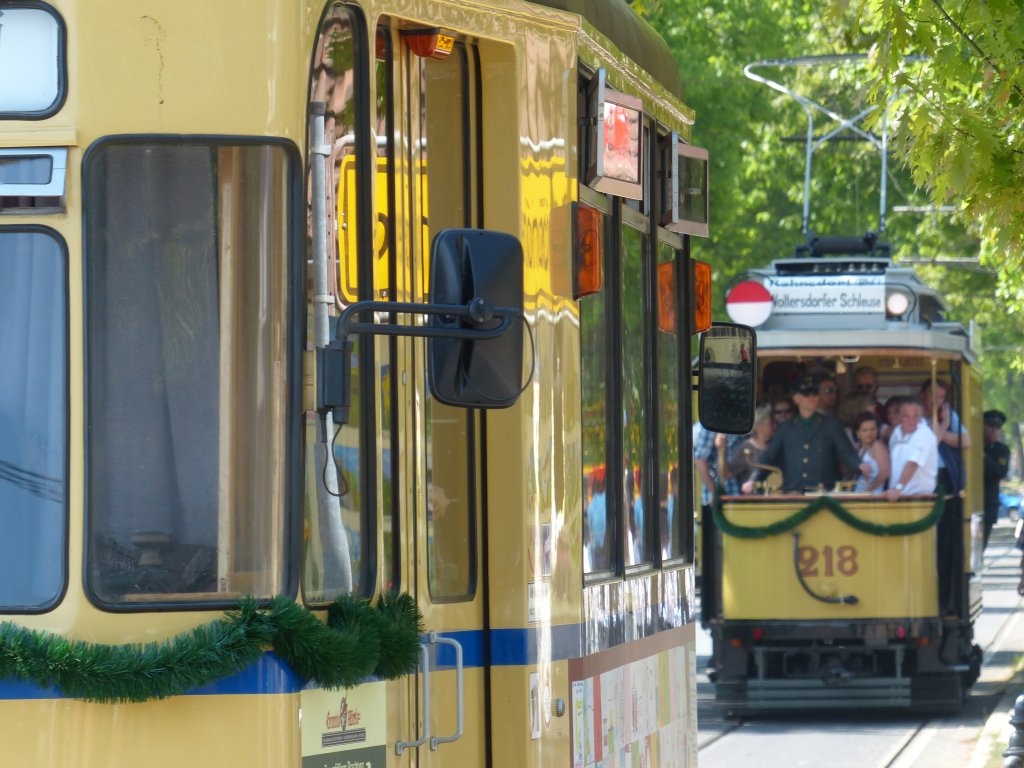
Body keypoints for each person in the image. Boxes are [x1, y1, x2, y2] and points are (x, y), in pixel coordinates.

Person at [744, 374, 870, 493]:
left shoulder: (831, 425)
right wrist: (753, 480)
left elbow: (846, 452)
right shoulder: (785, 428)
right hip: (793, 493)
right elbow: (768, 458)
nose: (812, 397)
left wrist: (860, 465)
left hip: (823, 494)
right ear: (796, 398)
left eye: (815, 393)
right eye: (807, 394)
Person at [920, 379, 971, 493]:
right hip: (920, 472)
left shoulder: (949, 414)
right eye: (933, 395)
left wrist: (938, 429)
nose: (936, 401)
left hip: (944, 472)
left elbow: (966, 441)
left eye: (941, 397)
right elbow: (930, 447)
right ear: (922, 395)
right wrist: (944, 425)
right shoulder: (913, 417)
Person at [885, 398, 938, 500]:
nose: (911, 421)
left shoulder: (925, 434)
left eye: (915, 416)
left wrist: (898, 488)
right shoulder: (896, 432)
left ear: (921, 417)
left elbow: (913, 464)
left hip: (919, 498)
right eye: (906, 416)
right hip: (897, 495)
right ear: (899, 416)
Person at [722, 404, 775, 493]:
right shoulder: (745, 448)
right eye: (770, 423)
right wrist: (721, 451)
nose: (773, 426)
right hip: (753, 502)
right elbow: (727, 474)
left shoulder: (774, 445)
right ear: (759, 427)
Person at [982, 409, 1011, 548]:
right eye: (990, 426)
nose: (994, 431)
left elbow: (999, 472)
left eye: (997, 427)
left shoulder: (1002, 450)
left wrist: (981, 456)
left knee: (980, 547)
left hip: (987, 505)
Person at [852, 412, 890, 494]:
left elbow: (885, 472)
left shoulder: (877, 445)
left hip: (873, 497)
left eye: (872, 429)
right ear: (858, 433)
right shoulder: (859, 449)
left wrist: (867, 490)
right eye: (865, 430)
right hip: (858, 494)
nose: (869, 433)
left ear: (877, 430)